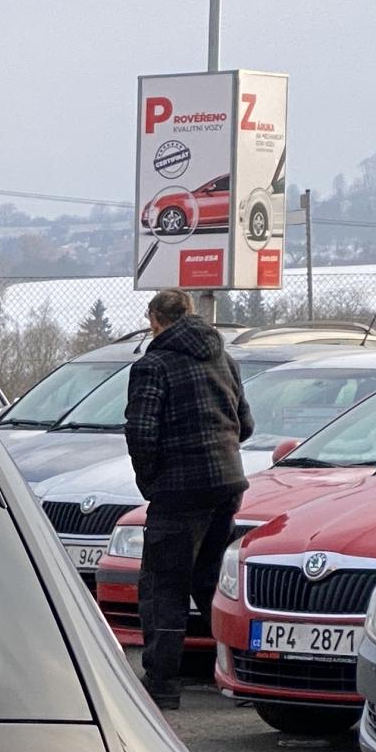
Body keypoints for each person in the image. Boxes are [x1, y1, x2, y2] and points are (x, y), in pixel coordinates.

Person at [126, 288, 253, 709]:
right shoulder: (224, 359)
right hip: (227, 485)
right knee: (211, 580)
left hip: (179, 491)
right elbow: (245, 424)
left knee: (163, 587)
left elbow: (141, 432)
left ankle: (162, 685)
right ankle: (242, 674)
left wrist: (151, 482)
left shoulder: (153, 365)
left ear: (154, 319)